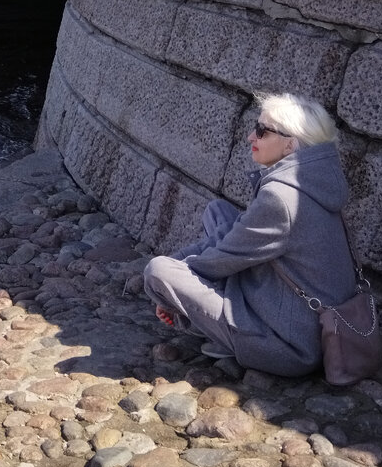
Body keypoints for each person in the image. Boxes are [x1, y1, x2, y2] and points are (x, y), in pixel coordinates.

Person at [143, 93, 357, 377]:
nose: (249, 137)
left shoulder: (281, 198)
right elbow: (236, 243)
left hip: (288, 345)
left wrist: (172, 293)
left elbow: (219, 260)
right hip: (304, 319)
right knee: (219, 212)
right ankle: (222, 328)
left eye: (261, 131)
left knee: (158, 271)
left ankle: (227, 337)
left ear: (290, 145)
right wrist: (182, 273)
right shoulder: (318, 182)